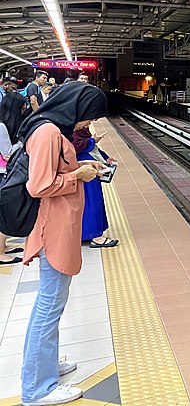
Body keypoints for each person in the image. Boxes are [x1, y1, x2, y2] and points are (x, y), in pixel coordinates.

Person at [19, 82, 108, 406]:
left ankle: (47, 364)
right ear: (77, 108)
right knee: (48, 306)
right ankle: (37, 389)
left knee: (51, 305)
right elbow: (39, 185)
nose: (88, 124)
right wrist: (77, 177)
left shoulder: (54, 130)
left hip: (60, 226)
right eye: (89, 117)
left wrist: (84, 168)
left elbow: (56, 172)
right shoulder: (47, 133)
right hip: (51, 229)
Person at [73, 125, 118, 248]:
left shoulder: (72, 122)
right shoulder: (72, 126)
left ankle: (84, 234)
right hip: (84, 168)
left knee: (85, 202)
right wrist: (93, 140)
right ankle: (95, 236)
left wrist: (105, 157)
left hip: (85, 165)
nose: (89, 123)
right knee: (92, 200)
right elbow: (77, 145)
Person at [0, 92, 27, 266]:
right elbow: (7, 152)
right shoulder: (1, 127)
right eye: (22, 109)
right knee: (3, 212)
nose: (23, 112)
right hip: (1, 171)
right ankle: (0, 253)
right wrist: (23, 142)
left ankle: (3, 247)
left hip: (3, 171)